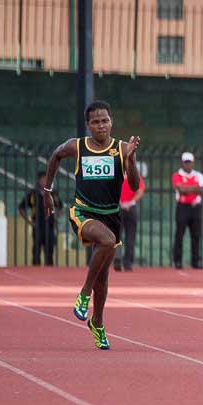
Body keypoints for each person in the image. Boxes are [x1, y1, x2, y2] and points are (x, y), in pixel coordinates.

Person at [42, 100, 140, 350]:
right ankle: (84, 294)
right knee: (107, 241)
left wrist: (130, 160)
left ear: (111, 122)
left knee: (103, 278)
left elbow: (134, 185)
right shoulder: (77, 146)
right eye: (95, 122)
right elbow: (55, 156)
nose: (101, 126)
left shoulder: (122, 149)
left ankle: (97, 322)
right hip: (83, 212)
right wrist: (47, 191)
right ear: (88, 125)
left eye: (105, 120)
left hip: (111, 216)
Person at [172, 152, 203, 269]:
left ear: (193, 163)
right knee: (179, 234)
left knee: (196, 235)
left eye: (189, 162)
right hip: (182, 207)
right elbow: (181, 190)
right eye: (186, 162)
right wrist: (196, 188)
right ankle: (177, 261)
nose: (187, 165)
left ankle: (195, 261)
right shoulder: (177, 175)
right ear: (182, 163)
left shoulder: (199, 175)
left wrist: (188, 189)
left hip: (196, 208)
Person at [18, 171, 61, 265]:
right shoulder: (32, 194)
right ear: (38, 180)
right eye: (43, 179)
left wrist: (56, 218)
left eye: (46, 179)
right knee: (36, 251)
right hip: (37, 225)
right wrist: (30, 222)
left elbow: (59, 206)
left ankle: (49, 270)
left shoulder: (53, 193)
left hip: (49, 226)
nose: (45, 181)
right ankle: (35, 270)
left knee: (49, 251)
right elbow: (21, 208)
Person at [114, 165, 145, 272]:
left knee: (123, 236)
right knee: (123, 235)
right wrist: (127, 202)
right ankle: (123, 261)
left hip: (125, 207)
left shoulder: (120, 176)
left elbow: (140, 191)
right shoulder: (132, 176)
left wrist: (127, 202)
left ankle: (123, 260)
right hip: (124, 207)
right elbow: (140, 191)